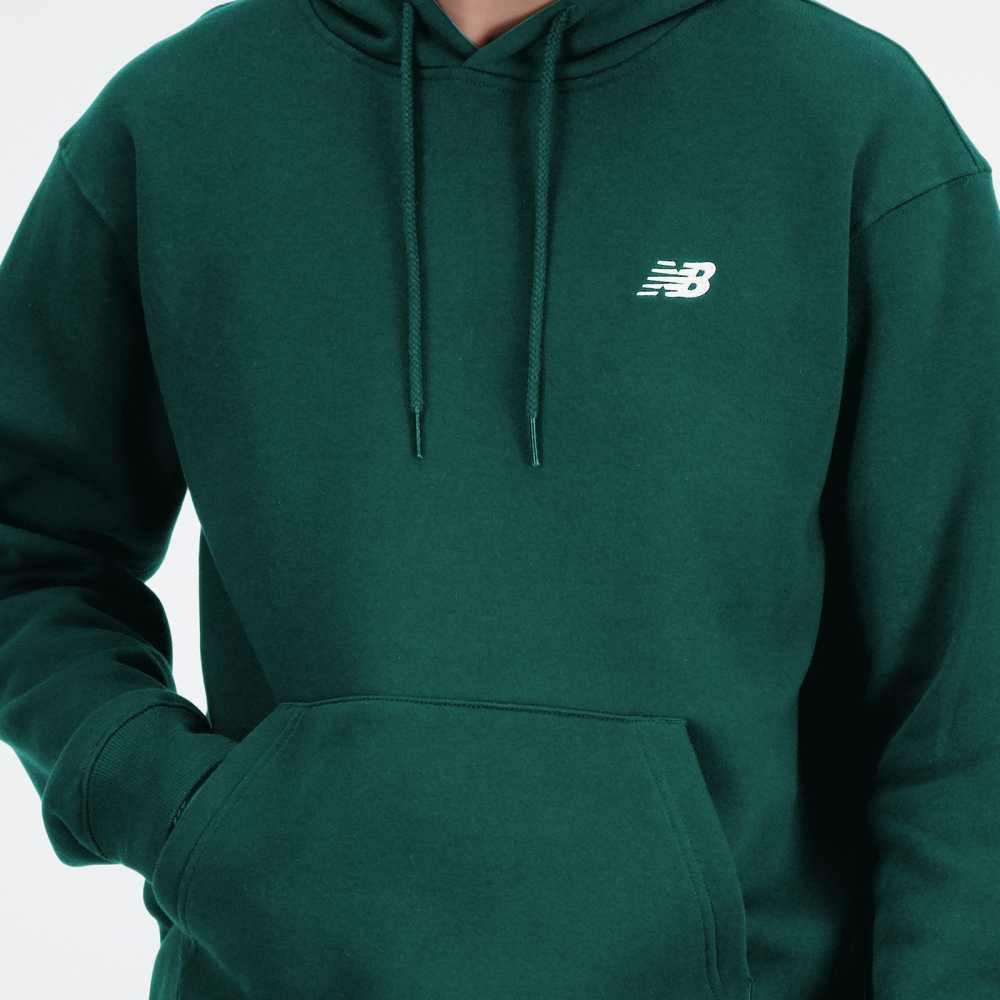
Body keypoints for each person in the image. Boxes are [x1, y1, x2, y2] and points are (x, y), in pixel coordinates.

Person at [1, 0, 998, 996]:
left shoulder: (843, 118)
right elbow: (25, 546)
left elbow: (966, 696)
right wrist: (176, 808)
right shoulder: (184, 115)